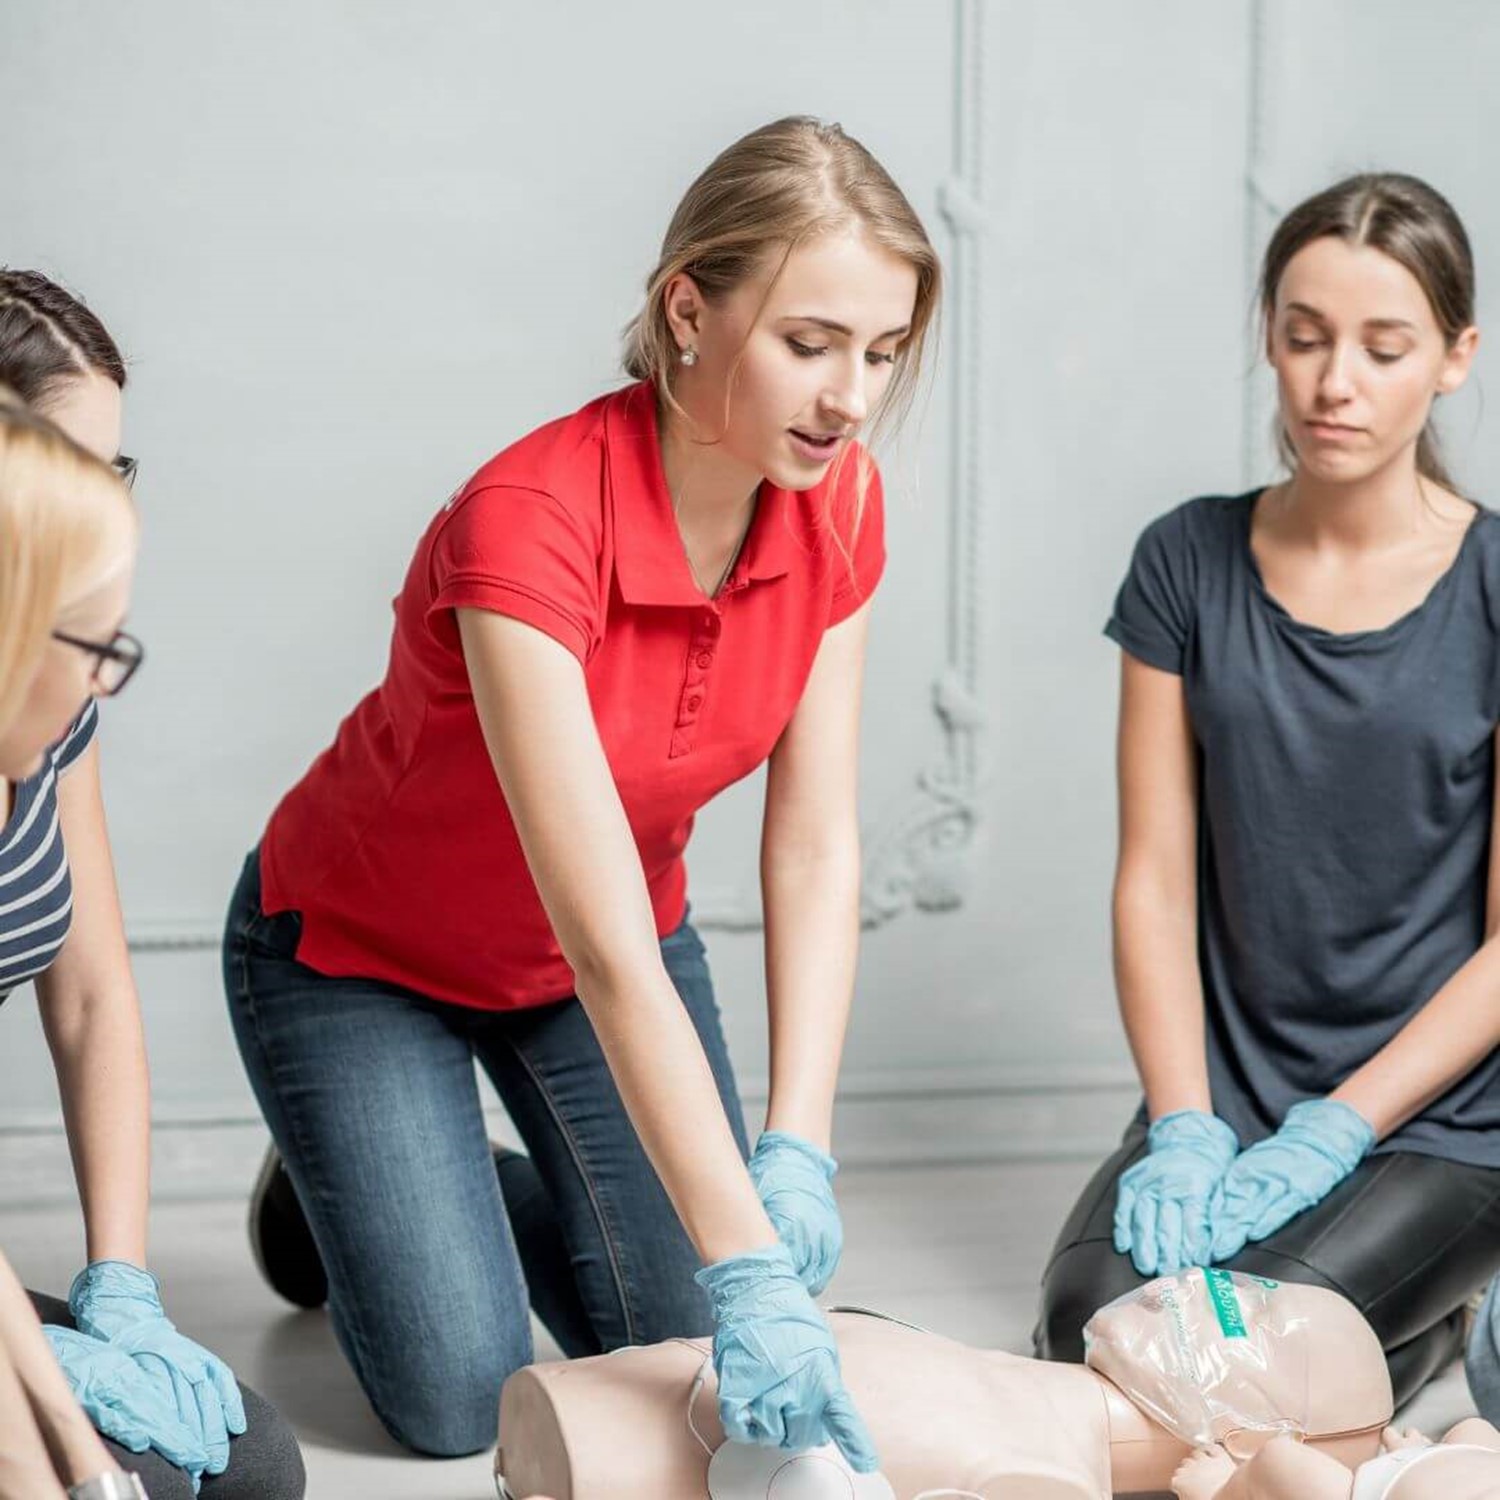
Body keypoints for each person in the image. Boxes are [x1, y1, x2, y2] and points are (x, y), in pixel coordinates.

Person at [226, 115, 940, 1468]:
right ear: (689, 308)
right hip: (359, 956)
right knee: (455, 1397)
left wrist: (795, 1146)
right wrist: (747, 1260)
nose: (850, 397)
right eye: (810, 341)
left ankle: (422, 1193)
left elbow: (813, 845)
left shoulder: (842, 503)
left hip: (576, 963)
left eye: (882, 352)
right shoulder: (530, 517)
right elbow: (606, 937)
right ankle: (334, 1189)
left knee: (669, 1335)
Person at [1033, 174, 1500, 1406]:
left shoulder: (1499, 581)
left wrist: (1340, 1127)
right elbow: (1153, 876)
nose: (1334, 380)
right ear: (1269, 340)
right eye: (1304, 337)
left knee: (1244, 1358)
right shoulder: (1185, 560)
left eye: (1382, 346)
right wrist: (1184, 1122)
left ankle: (1439, 1303)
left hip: (1439, 1107)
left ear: (1454, 357)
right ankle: (1411, 1321)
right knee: (1095, 1333)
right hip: (1229, 1089)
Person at [0, 273, 304, 1499]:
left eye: (116, 475)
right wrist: (61, 1460)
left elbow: (88, 996)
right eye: (72, 469)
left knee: (245, 1464)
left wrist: (119, 1293)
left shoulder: (45, 699)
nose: (103, 509)